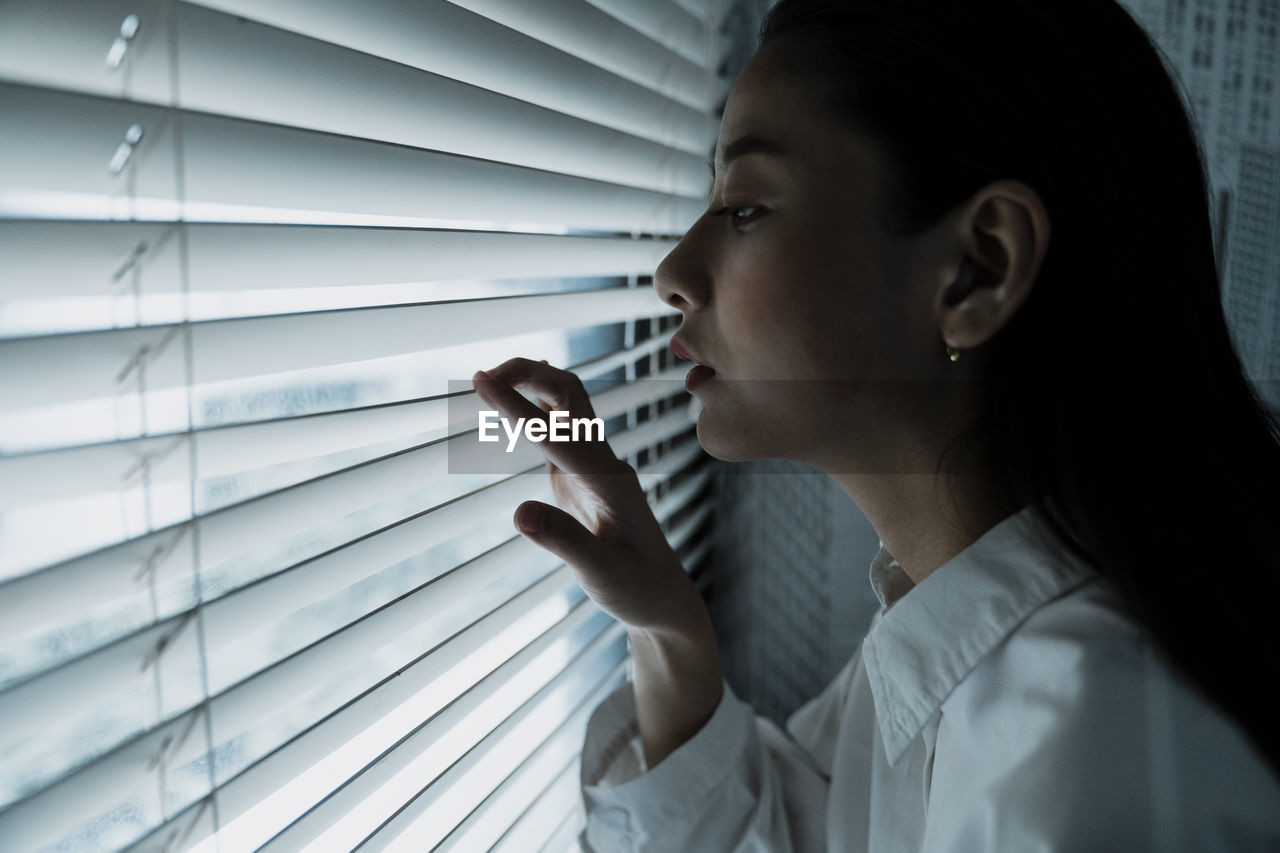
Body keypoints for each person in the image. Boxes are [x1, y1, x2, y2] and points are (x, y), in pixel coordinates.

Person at [470, 0, 1280, 849]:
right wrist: (668, 628)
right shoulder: (949, 632)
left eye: (743, 207)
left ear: (977, 270)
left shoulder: (1092, 764)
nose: (673, 271)